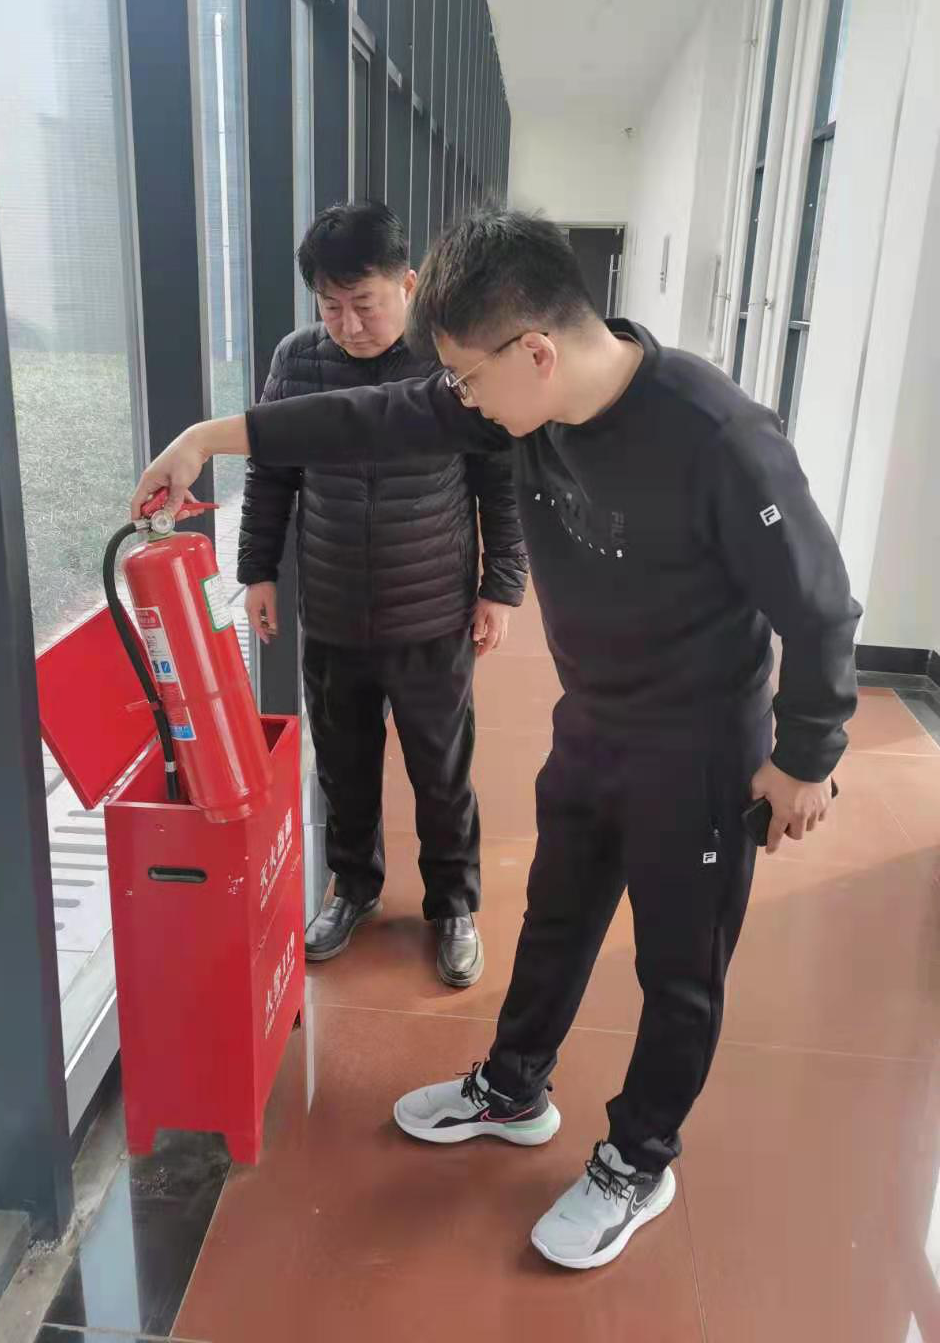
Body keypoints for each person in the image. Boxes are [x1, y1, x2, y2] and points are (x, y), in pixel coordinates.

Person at [131, 211, 860, 1272]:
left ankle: (639, 1159)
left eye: (468, 379)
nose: (459, 399)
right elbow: (366, 416)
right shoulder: (515, 402)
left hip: (702, 751)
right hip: (593, 722)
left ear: (538, 352)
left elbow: (822, 607)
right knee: (556, 919)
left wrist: (805, 758)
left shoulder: (716, 436)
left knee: (680, 970)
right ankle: (515, 1089)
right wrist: (208, 439)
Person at [237, 202, 527, 987]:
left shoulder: (449, 362)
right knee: (344, 767)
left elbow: (498, 475)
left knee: (442, 771)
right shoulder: (298, 360)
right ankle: (353, 887)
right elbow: (270, 472)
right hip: (333, 610)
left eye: (364, 304)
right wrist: (258, 571)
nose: (348, 325)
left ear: (409, 284)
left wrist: (501, 585)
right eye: (330, 307)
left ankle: (453, 903)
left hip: (432, 612)